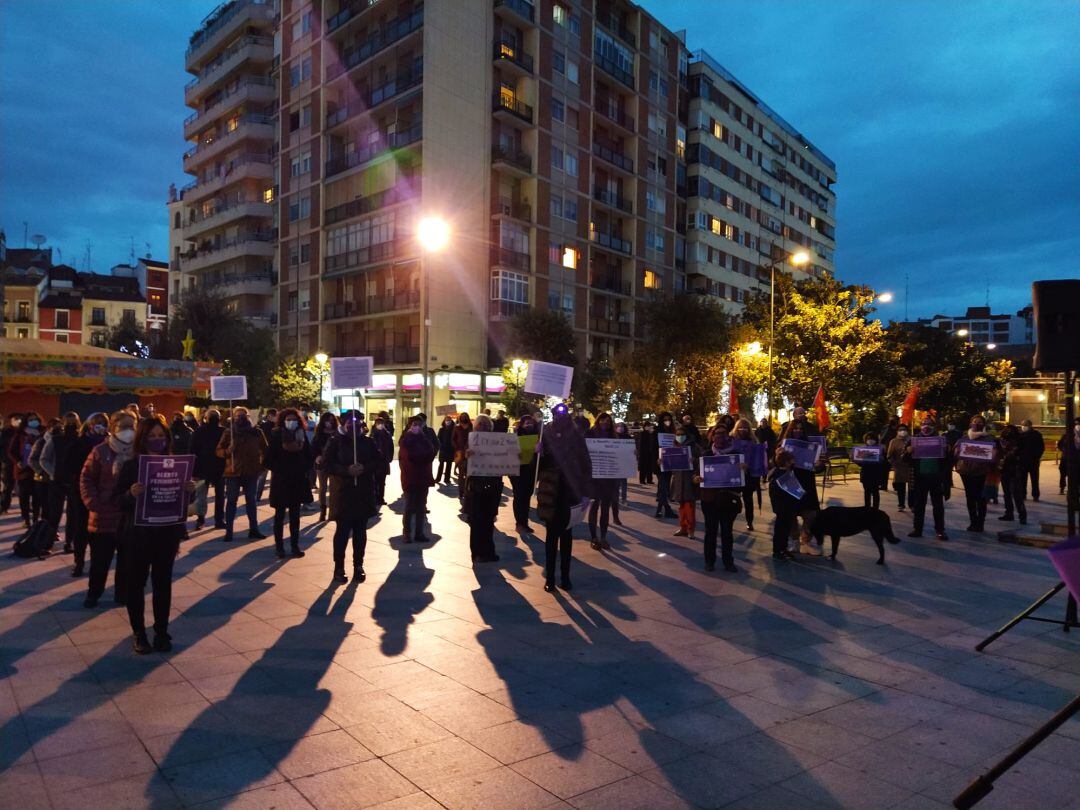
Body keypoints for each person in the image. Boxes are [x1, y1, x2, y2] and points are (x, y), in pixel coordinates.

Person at [115, 416, 195, 654]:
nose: (157, 440)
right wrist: (131, 494)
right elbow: (118, 501)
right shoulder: (131, 466)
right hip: (137, 536)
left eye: (161, 436)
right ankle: (139, 633)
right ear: (142, 439)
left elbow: (181, 501)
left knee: (162, 585)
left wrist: (189, 492)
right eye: (151, 436)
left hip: (166, 534)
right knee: (136, 585)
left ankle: (161, 632)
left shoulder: (175, 463)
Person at [79, 410, 134, 608]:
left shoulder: (138, 452)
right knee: (99, 562)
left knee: (127, 562)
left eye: (132, 426)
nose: (128, 431)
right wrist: (94, 503)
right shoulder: (100, 451)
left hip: (128, 517)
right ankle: (94, 593)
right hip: (103, 516)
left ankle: (122, 594)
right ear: (113, 429)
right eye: (123, 427)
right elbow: (86, 479)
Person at [536, 404, 593, 592]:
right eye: (557, 415)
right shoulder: (546, 434)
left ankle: (565, 577)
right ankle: (550, 578)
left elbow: (586, 464)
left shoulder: (576, 436)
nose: (560, 419)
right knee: (551, 537)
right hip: (551, 492)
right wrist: (538, 453)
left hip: (570, 491)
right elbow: (537, 466)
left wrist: (585, 493)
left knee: (567, 536)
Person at [324, 410, 379, 582]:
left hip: (362, 492)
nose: (354, 426)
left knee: (360, 532)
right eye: (350, 423)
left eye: (357, 423)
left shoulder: (368, 442)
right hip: (343, 493)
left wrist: (364, 468)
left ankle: (358, 565)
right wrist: (346, 470)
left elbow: (378, 461)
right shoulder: (335, 442)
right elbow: (327, 464)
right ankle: (339, 567)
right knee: (342, 531)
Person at [265, 409, 313, 558]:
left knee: (295, 516)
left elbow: (308, 455)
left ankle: (294, 546)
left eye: (294, 419)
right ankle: (279, 547)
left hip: (297, 480)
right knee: (279, 516)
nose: (291, 422)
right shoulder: (276, 435)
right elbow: (268, 459)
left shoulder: (301, 435)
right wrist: (280, 468)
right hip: (281, 480)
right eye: (288, 419)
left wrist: (303, 467)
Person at [216, 407, 268, 542]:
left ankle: (254, 529)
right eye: (238, 416)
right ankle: (229, 531)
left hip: (251, 472)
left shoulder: (256, 432)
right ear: (233, 418)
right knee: (232, 501)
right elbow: (218, 451)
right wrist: (228, 450)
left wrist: (261, 465)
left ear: (248, 417)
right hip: (233, 472)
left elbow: (265, 449)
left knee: (251, 501)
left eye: (243, 416)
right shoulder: (229, 433)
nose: (241, 418)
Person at [697, 426, 743, 572]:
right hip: (709, 499)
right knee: (710, 531)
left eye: (723, 434)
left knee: (727, 532)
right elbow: (695, 473)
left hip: (728, 499)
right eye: (717, 434)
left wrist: (743, 469)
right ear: (712, 436)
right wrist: (696, 478)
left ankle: (728, 562)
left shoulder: (736, 455)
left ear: (728, 436)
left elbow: (744, 479)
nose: (719, 437)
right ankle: (709, 561)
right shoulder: (706, 455)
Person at [67, 413, 108, 576]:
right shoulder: (79, 442)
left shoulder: (110, 443)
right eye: (97, 422)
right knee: (82, 527)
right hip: (82, 491)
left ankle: (97, 562)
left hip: (104, 491)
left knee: (100, 531)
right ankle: (79, 561)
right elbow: (69, 465)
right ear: (89, 424)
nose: (100, 425)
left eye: (104, 423)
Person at [780, 418, 823, 556]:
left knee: (810, 513)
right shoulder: (783, 445)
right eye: (795, 429)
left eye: (800, 429)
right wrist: (778, 456)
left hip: (807, 482)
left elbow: (819, 467)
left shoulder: (811, 447)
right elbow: (775, 465)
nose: (797, 431)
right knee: (791, 513)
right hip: (791, 482)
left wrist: (819, 465)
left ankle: (806, 540)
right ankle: (794, 540)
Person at [464, 413, 502, 563]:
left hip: (492, 487)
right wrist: (467, 456)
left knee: (488, 520)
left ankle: (488, 551)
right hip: (476, 487)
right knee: (476, 521)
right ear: (475, 426)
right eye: (481, 424)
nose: (484, 427)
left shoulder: (497, 442)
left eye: (486, 425)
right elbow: (460, 462)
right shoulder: (470, 441)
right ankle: (477, 553)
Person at [41, 412, 82, 544]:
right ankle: (49, 541)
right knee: (54, 513)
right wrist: (53, 472)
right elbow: (44, 459)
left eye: (73, 421)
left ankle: (69, 542)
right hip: (57, 480)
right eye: (68, 421)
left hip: (75, 480)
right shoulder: (55, 439)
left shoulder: (81, 439)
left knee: (74, 514)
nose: (71, 424)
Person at [953, 414, 998, 533]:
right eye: (974, 421)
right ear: (970, 423)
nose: (976, 424)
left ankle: (980, 522)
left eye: (979, 422)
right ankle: (973, 521)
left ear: (984, 425)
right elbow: (956, 452)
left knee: (980, 498)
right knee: (970, 497)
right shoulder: (964, 437)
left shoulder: (989, 439)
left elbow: (995, 455)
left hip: (981, 472)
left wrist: (993, 455)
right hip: (966, 471)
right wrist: (956, 452)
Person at [908, 418, 950, 540]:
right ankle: (917, 529)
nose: (926, 426)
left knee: (938, 506)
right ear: (920, 426)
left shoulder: (941, 440)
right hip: (920, 478)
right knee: (919, 505)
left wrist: (947, 451)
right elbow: (904, 459)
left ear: (934, 426)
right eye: (924, 424)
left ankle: (940, 530)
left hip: (936, 478)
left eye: (930, 424)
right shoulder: (914, 440)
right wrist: (908, 452)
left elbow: (947, 460)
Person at [398, 415, 436, 543]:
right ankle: (407, 533)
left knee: (421, 507)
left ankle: (419, 533)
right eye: (414, 425)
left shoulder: (424, 439)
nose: (417, 427)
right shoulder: (405, 440)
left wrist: (425, 456)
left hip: (423, 477)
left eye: (419, 425)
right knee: (409, 506)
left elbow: (431, 452)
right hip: (410, 477)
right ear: (409, 426)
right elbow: (410, 457)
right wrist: (423, 457)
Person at [587, 413, 620, 550]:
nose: (605, 422)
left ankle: (604, 537)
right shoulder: (589, 434)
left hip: (609, 477)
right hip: (594, 477)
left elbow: (621, 453)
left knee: (605, 508)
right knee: (594, 507)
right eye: (602, 420)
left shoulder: (614, 436)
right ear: (598, 420)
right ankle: (594, 537)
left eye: (608, 421)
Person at [191, 409, 226, 530]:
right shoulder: (223, 431)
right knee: (219, 495)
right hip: (219, 467)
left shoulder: (199, 431)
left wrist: (193, 470)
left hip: (202, 467)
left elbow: (192, 450)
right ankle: (219, 520)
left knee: (201, 495)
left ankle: (201, 519)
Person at [8, 410, 43, 527]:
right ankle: (25, 518)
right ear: (26, 422)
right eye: (31, 420)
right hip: (23, 469)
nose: (33, 422)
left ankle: (36, 518)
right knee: (24, 496)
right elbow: (11, 451)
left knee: (37, 496)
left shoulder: (42, 433)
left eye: (35, 419)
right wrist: (17, 461)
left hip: (38, 469)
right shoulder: (20, 434)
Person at [767, 450, 800, 561]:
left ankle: (783, 548)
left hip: (788, 507)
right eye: (791, 461)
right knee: (780, 529)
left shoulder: (787, 472)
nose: (793, 462)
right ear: (786, 462)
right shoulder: (779, 475)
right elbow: (775, 493)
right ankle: (777, 550)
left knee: (786, 529)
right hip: (782, 507)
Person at [510, 412, 539, 533]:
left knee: (526, 498)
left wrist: (539, 451)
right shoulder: (515, 436)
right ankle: (519, 523)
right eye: (527, 423)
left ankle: (524, 522)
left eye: (531, 423)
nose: (529, 425)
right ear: (522, 424)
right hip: (517, 471)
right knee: (519, 496)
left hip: (531, 471)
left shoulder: (538, 437)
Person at [731, 418, 761, 531]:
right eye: (740, 427)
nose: (742, 430)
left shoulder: (753, 441)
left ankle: (749, 521)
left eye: (745, 428)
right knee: (733, 499)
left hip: (748, 475)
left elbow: (757, 458)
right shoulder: (731, 440)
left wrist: (749, 466)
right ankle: (730, 520)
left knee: (748, 500)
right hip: (735, 475)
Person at [312, 412, 340, 521]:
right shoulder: (319, 433)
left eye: (332, 420)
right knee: (323, 488)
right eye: (327, 420)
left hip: (334, 464)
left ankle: (333, 510)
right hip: (322, 463)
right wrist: (317, 457)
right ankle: (323, 510)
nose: (330, 422)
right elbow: (314, 448)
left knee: (334, 488)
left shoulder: (337, 433)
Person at [998, 424, 1028, 525]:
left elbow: (1020, 455)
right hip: (1005, 469)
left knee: (1016, 494)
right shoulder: (1001, 442)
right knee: (1007, 493)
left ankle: (1022, 514)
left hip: (1015, 469)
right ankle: (1009, 513)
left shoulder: (1019, 442)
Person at [654, 411, 677, 518]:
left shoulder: (673, 432)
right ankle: (667, 509)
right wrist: (656, 459)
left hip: (670, 462)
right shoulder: (657, 432)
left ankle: (659, 510)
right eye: (665, 419)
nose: (667, 421)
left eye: (669, 419)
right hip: (659, 463)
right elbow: (652, 448)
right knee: (663, 485)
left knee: (664, 487)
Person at [856, 432, 887, 509]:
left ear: (876, 440)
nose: (870, 440)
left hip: (875, 474)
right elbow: (860, 463)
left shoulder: (881, 449)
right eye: (868, 439)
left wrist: (881, 459)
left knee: (875, 493)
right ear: (865, 440)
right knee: (867, 493)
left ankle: (875, 510)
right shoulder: (862, 449)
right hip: (865, 474)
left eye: (872, 439)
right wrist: (857, 460)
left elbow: (885, 462)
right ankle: (867, 509)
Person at [886, 423, 913, 511]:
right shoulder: (893, 441)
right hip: (899, 467)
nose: (902, 432)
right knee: (901, 488)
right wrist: (894, 465)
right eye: (900, 430)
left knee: (912, 488)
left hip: (911, 467)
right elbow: (889, 455)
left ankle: (912, 505)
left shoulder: (912, 440)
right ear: (897, 431)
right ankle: (901, 504)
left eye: (904, 430)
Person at [370, 415, 394, 508]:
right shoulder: (372, 435)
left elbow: (390, 447)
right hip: (375, 462)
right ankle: (375, 498)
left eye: (381, 423)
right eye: (378, 423)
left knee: (382, 481)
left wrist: (390, 457)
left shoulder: (387, 434)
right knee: (375, 481)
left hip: (384, 461)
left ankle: (381, 498)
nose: (380, 425)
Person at [1018, 419, 1044, 501]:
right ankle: (1022, 494)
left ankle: (1035, 495)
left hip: (1033, 461)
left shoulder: (1036, 435)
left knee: (1035, 479)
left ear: (1030, 426)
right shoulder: (1019, 435)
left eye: (1026, 425)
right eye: (1022, 425)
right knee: (1022, 479)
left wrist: (1037, 457)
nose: (1024, 427)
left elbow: (1041, 447)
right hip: (1022, 461)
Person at [452, 412, 473, 490]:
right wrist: (457, 448)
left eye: (465, 416)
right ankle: (461, 491)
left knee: (469, 472)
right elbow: (453, 439)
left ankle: (468, 489)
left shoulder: (471, 427)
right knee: (461, 472)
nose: (464, 418)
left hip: (469, 452)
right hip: (459, 452)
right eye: (462, 417)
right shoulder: (457, 427)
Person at [436, 415, 456, 485]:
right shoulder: (442, 429)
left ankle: (447, 479)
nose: (448, 421)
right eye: (446, 420)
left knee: (449, 464)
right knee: (441, 464)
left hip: (450, 449)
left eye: (449, 420)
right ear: (444, 421)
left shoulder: (454, 429)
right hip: (443, 449)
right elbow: (438, 438)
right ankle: (438, 478)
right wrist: (440, 446)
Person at [638, 420, 658, 485]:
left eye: (648, 426)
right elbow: (641, 444)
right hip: (644, 453)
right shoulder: (642, 433)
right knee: (643, 468)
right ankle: (642, 480)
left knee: (649, 467)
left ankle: (649, 480)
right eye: (646, 426)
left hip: (650, 453)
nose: (647, 427)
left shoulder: (650, 434)